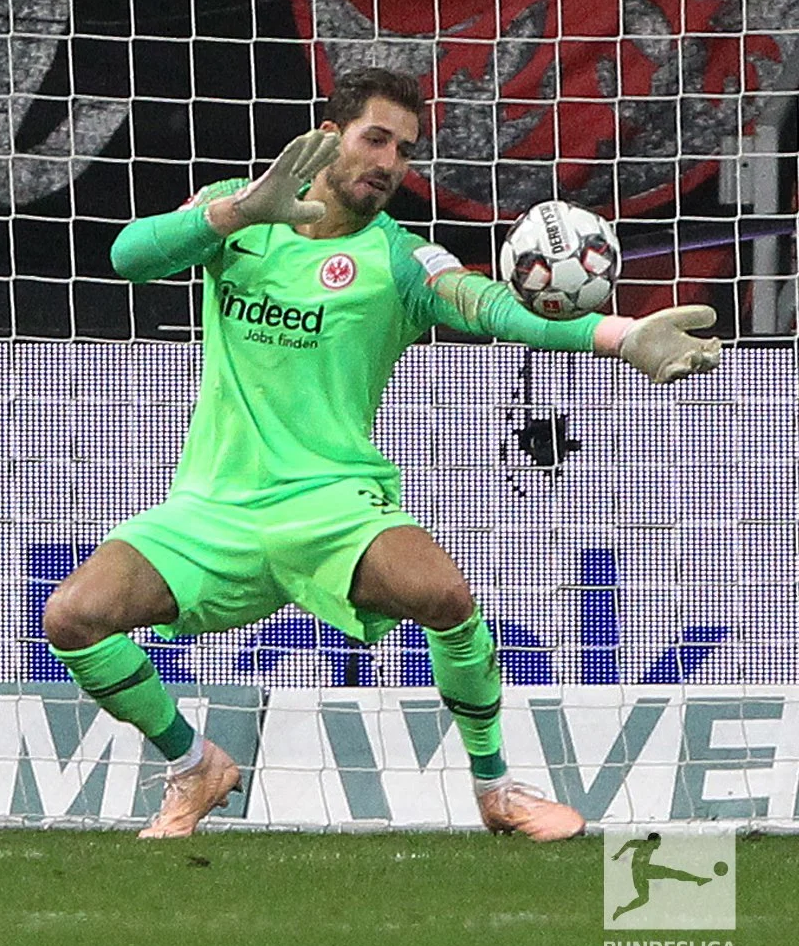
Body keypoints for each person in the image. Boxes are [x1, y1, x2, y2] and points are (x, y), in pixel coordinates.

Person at [43, 67, 723, 841]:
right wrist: (237, 212)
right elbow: (128, 256)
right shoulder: (237, 206)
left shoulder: (401, 257)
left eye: (404, 150)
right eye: (376, 139)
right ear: (329, 136)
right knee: (73, 617)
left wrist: (619, 335)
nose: (390, 162)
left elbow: (489, 306)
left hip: (333, 502)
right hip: (213, 505)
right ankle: (193, 763)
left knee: (445, 597)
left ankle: (496, 788)